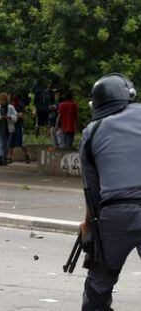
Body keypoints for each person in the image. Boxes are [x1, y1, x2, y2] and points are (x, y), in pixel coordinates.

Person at [80, 73, 141, 310]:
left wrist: (88, 225)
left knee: (99, 281)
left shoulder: (92, 131)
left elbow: (91, 190)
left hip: (114, 215)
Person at [0, 93, 17, 166]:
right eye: (1, 101)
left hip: (8, 129)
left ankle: (4, 158)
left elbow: (15, 118)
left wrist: (9, 117)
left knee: (7, 144)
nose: (2, 102)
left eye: (3, 101)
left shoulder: (11, 108)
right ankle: (0, 158)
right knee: (0, 143)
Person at [8, 95, 30, 164]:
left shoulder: (20, 105)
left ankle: (27, 155)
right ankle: (10, 158)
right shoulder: (10, 106)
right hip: (12, 125)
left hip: (19, 126)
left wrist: (16, 115)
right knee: (11, 142)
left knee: (21, 143)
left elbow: (22, 115)